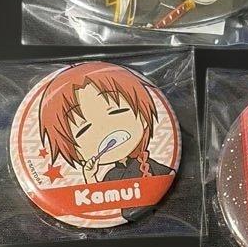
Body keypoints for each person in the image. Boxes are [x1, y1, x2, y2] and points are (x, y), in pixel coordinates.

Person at [37, 62, 174, 222]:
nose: (106, 130)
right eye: (83, 129)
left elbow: (166, 177)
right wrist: (90, 178)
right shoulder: (111, 176)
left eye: (118, 111)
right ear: (77, 153)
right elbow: (100, 207)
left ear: (143, 119)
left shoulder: (151, 166)